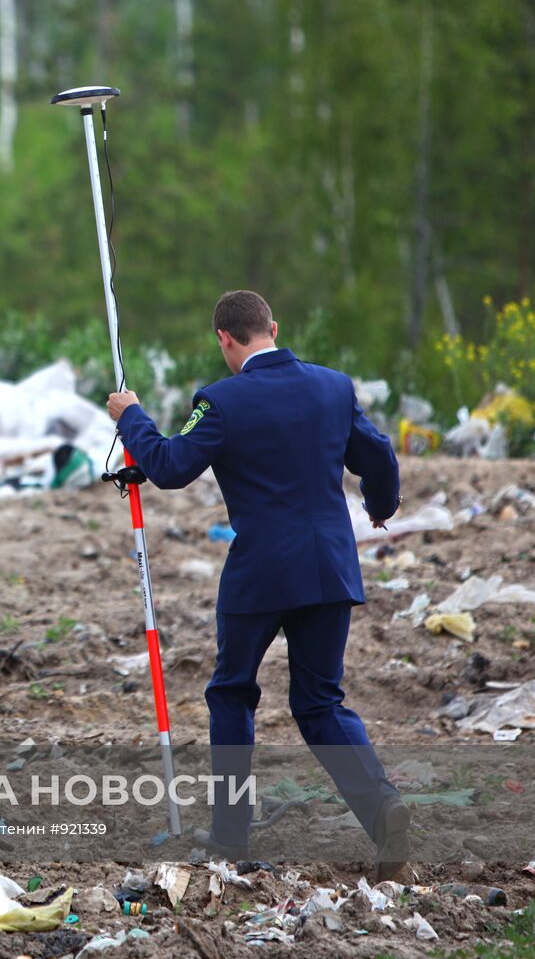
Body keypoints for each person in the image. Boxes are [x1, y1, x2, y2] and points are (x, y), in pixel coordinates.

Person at [105, 289, 410, 879]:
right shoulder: (334, 387)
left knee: (233, 693)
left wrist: (131, 417)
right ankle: (383, 809)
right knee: (321, 701)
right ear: (273, 327)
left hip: (261, 575)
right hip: (331, 567)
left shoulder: (220, 401)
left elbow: (169, 467)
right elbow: (378, 457)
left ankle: (230, 840)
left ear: (224, 339)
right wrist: (381, 506)